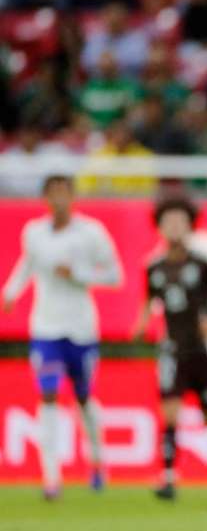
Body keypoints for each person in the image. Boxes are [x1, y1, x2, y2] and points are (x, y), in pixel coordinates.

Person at [1, 175, 122, 500]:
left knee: (83, 396)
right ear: (44, 198)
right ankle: (51, 476)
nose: (58, 199)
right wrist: (10, 292)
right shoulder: (34, 233)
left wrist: (79, 274)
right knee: (48, 394)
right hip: (45, 328)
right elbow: (28, 265)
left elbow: (114, 275)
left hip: (81, 328)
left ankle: (97, 460)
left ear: (72, 197)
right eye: (52, 193)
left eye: (63, 193)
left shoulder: (91, 233)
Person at [132, 197, 207, 500]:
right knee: (170, 411)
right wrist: (140, 326)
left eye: (180, 221)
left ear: (190, 226)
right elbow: (148, 304)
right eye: (169, 221)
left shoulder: (202, 264)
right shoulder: (154, 267)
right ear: (160, 227)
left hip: (203, 350)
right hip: (172, 349)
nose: (174, 227)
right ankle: (168, 477)